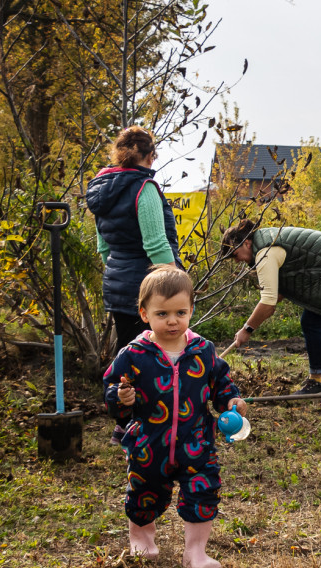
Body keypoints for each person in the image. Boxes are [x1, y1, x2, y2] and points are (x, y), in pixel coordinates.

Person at [103, 265, 246, 568]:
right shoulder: (133, 355)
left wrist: (231, 402)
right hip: (149, 443)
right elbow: (113, 389)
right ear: (144, 314)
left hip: (196, 442)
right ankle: (142, 540)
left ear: (191, 310)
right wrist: (120, 398)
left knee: (203, 491)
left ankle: (195, 552)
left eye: (180, 312)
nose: (172, 320)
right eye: (162, 313)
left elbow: (220, 384)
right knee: (143, 492)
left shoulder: (203, 350)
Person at [87, 126, 183, 446]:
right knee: (155, 353)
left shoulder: (101, 189)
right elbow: (156, 245)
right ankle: (149, 422)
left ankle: (122, 422)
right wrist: (177, 283)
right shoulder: (145, 188)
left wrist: (118, 274)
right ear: (150, 155)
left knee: (126, 355)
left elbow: (104, 248)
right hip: (148, 285)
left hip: (116, 281)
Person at [220, 219, 321, 394]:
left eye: (235, 255)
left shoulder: (265, 252)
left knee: (312, 323)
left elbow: (268, 303)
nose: (237, 261)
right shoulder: (267, 239)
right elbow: (277, 295)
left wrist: (247, 329)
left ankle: (318, 381)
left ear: (247, 243)